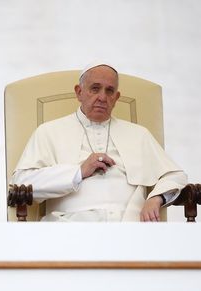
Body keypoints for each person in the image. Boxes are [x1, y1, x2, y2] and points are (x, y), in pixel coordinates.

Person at [11, 62, 188, 222]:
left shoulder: (138, 134)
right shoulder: (48, 132)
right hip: (70, 229)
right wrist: (78, 171)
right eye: (95, 89)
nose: (102, 97)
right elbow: (21, 184)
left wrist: (155, 198)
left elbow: (176, 175)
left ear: (116, 97)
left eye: (109, 91)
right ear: (79, 92)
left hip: (130, 228)